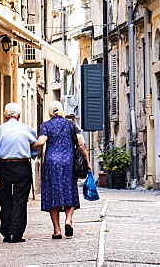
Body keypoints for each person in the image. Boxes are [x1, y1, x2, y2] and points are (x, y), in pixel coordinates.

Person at [33, 101, 91, 239]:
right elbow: (81, 144)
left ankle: (57, 230)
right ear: (61, 111)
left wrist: (29, 147)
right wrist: (87, 162)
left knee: (53, 194)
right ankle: (68, 220)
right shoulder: (71, 124)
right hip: (68, 162)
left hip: (51, 163)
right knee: (69, 191)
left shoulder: (46, 125)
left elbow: (41, 142)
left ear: (49, 112)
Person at [0, 102, 38, 243]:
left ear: (5, 115)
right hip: (22, 165)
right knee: (20, 200)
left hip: (4, 166)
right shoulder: (26, 129)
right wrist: (31, 153)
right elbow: (36, 145)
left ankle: (6, 231)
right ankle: (16, 233)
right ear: (19, 115)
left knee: (5, 199)